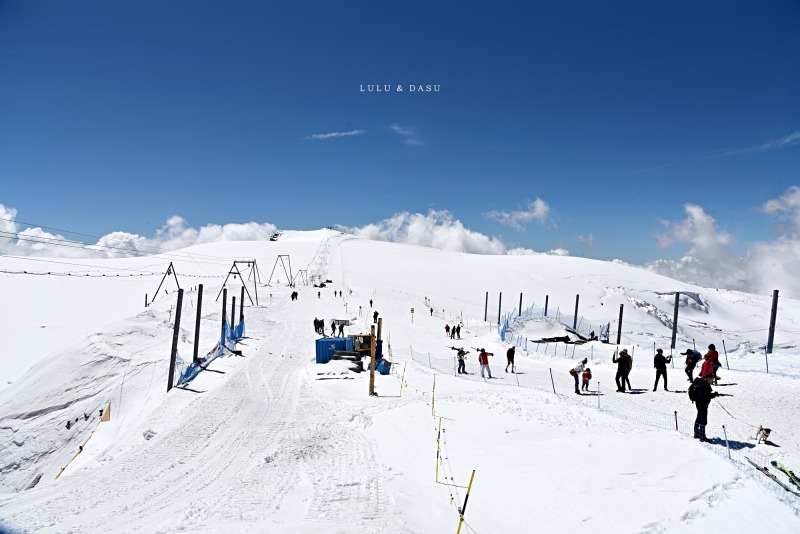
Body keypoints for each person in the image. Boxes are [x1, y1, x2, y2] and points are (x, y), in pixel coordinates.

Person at [694, 373, 719, 442]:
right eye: (712, 379)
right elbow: (703, 397)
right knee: (703, 420)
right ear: (708, 378)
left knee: (699, 418)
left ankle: (696, 434)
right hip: (702, 405)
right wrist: (712, 395)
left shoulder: (704, 384)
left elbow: (705, 394)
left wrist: (713, 395)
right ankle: (702, 436)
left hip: (700, 404)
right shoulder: (703, 385)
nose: (712, 380)